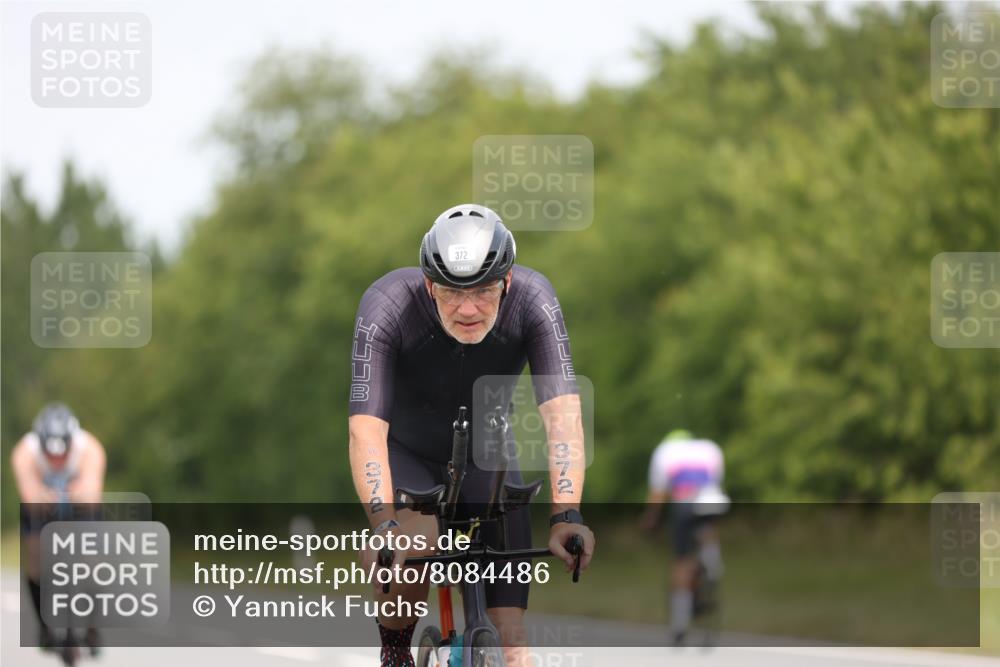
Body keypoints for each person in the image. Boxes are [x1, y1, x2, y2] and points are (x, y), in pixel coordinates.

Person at [348, 204, 595, 667]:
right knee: (410, 554)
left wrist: (567, 513)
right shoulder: (387, 304)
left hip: (489, 459)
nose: (466, 309)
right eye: (449, 291)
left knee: (514, 644)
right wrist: (383, 524)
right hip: (408, 456)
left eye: (482, 291)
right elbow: (366, 431)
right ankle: (396, 654)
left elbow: (563, 416)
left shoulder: (534, 299)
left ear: (505, 281)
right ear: (427, 284)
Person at [11, 402, 106, 652]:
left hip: (81, 507)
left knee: (92, 560)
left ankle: (92, 626)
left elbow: (92, 494)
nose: (56, 460)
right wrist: (44, 497)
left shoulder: (90, 448)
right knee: (34, 556)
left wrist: (75, 495)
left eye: (61, 455)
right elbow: (29, 496)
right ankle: (44, 627)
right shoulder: (25, 451)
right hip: (40, 506)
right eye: (50, 455)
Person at [641, 429, 728, 646]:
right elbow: (716, 482)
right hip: (712, 500)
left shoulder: (664, 451)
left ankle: (679, 625)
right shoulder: (710, 447)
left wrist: (650, 521)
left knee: (682, 562)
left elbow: (658, 494)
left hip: (685, 503)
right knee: (708, 525)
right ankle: (712, 559)